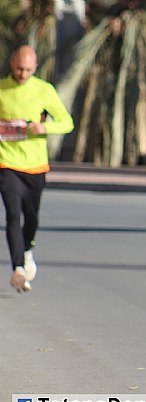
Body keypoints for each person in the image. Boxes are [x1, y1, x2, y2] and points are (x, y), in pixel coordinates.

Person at [0, 45, 74, 293]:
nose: (23, 74)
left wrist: (45, 128)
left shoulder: (44, 90)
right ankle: (18, 269)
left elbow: (66, 122)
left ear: (35, 68)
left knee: (31, 217)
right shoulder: (1, 88)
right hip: (6, 162)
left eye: (29, 70)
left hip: (34, 165)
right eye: (20, 69)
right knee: (12, 214)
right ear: (12, 63)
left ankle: (27, 248)